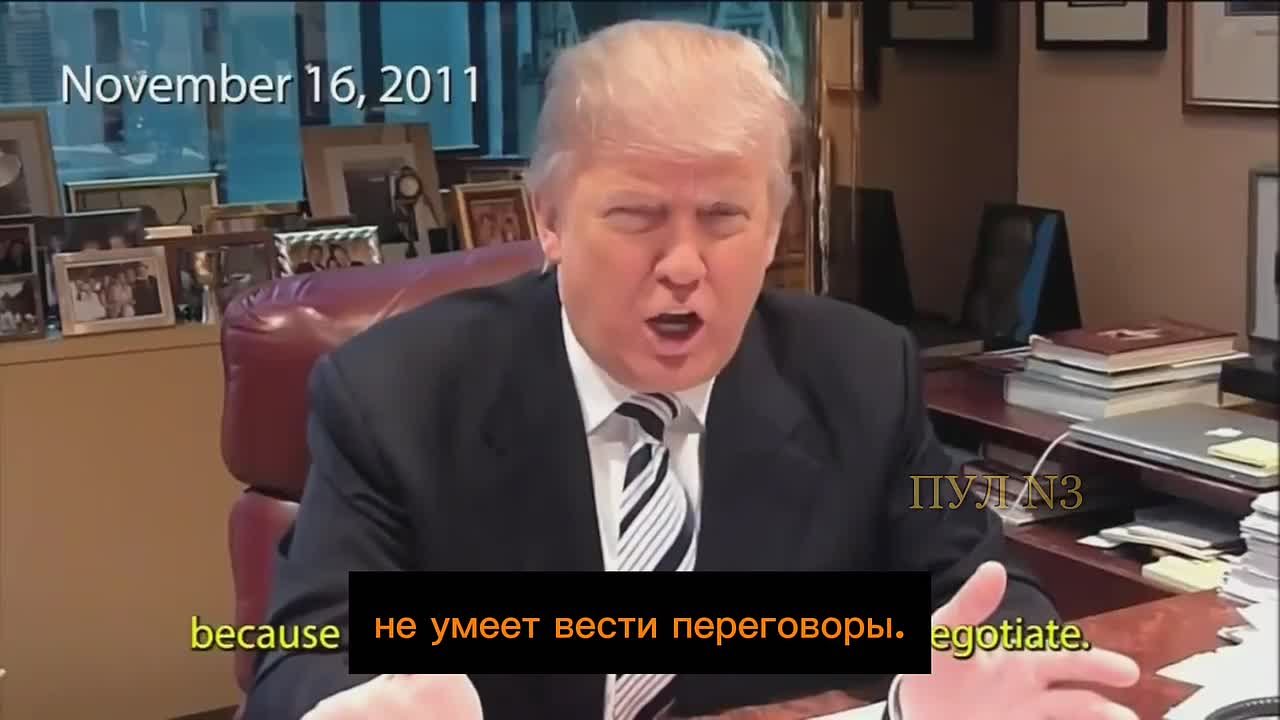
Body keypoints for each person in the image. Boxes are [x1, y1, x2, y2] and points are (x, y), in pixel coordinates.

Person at [243, 20, 1139, 720]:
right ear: (548, 218)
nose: (682, 265)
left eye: (723, 218)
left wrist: (997, 666)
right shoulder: (399, 394)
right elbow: (310, 654)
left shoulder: (862, 373)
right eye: (637, 217)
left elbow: (983, 594)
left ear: (776, 226)